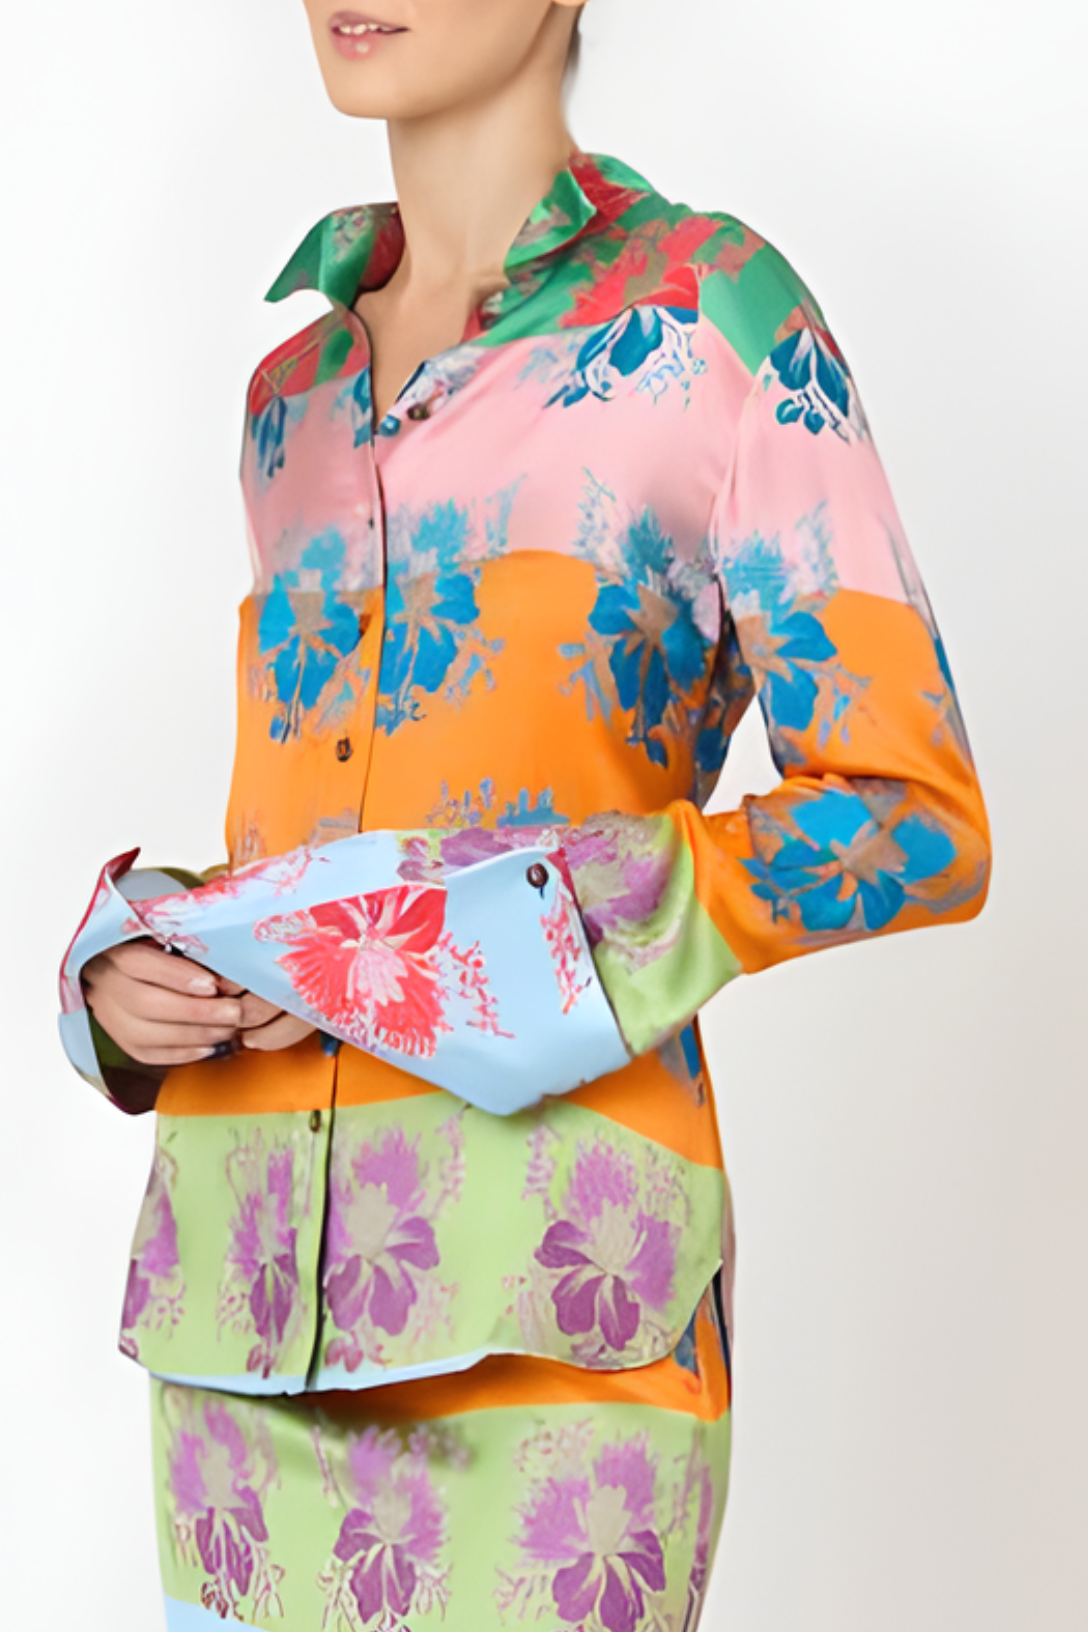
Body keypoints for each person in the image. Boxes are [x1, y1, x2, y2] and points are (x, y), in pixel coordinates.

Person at [59, 1, 992, 1627]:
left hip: (554, 1326)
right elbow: (320, 853)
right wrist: (127, 977)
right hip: (240, 1333)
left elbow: (916, 818)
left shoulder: (713, 322)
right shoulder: (291, 397)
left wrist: (544, 929)